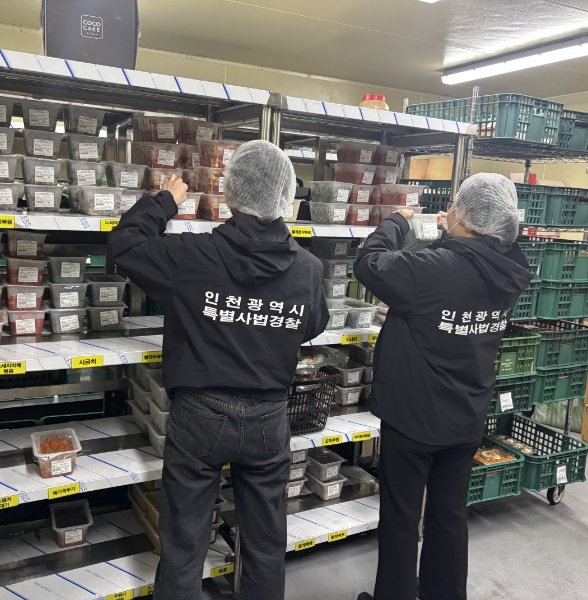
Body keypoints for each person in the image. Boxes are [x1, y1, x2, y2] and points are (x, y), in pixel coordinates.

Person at [107, 140, 330, 600]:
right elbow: (312, 324)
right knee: (266, 545)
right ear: (286, 196)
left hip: (200, 415)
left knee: (185, 544)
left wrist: (165, 201)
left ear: (229, 192)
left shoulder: (192, 256)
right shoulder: (307, 269)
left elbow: (125, 246)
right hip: (269, 417)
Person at [355, 173, 533, 600]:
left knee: (401, 517)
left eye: (454, 205)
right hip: (467, 412)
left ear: (464, 214)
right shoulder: (511, 270)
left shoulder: (430, 270)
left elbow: (369, 262)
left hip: (412, 417)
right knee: (449, 515)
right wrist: (450, 236)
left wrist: (397, 221)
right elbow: (462, 274)